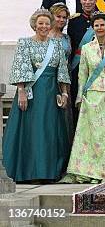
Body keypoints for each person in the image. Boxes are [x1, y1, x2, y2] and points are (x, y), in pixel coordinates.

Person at [3, 9, 71, 182]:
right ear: (34, 25)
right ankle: (28, 172)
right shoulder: (24, 43)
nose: (44, 26)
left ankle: (48, 172)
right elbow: (21, 68)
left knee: (48, 131)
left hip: (50, 93)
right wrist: (21, 92)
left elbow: (62, 70)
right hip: (31, 94)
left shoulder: (56, 44)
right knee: (32, 131)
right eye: (40, 23)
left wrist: (64, 92)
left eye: (47, 23)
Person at [63, 12, 105, 183]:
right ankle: (92, 172)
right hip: (92, 95)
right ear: (93, 28)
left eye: (102, 25)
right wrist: (79, 97)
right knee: (92, 136)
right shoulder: (86, 49)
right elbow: (82, 74)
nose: (99, 28)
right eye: (96, 25)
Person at [67, 0, 97, 118]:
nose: (88, 2)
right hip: (77, 68)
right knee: (77, 104)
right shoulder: (74, 21)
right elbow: (71, 45)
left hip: (96, 67)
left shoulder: (102, 19)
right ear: (80, 1)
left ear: (95, 0)